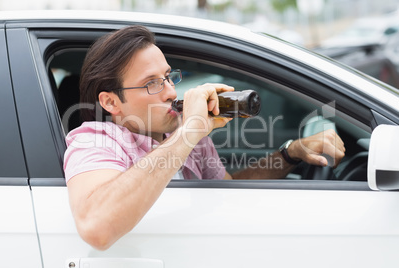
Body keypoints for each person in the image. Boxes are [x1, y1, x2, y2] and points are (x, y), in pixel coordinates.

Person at [64, 25, 345, 250]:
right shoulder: (93, 139)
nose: (171, 92)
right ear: (111, 102)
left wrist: (290, 153)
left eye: (168, 77)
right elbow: (96, 228)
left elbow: (226, 192)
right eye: (152, 84)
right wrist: (188, 132)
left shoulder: (183, 135)